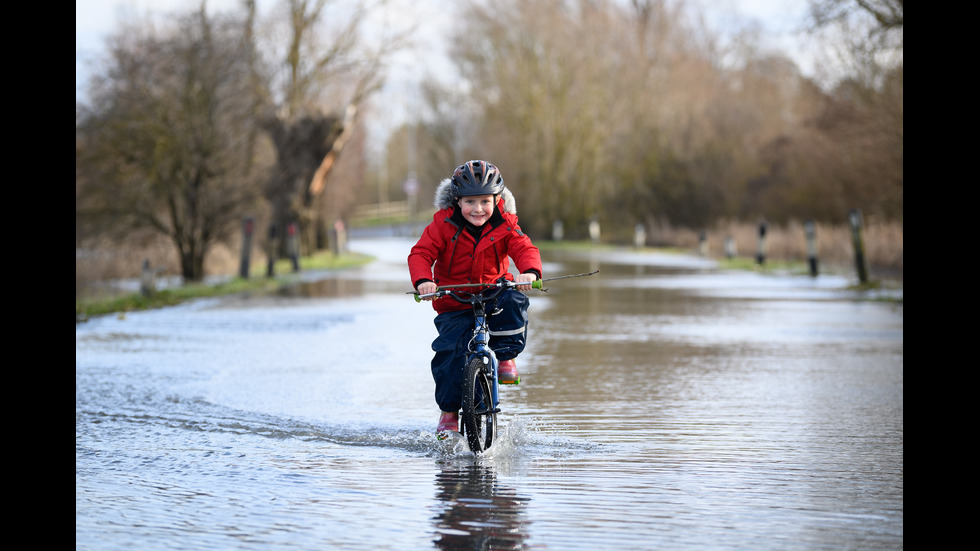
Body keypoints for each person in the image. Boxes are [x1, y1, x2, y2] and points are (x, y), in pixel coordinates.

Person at [408, 160, 542, 436]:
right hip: (454, 300)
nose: (478, 209)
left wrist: (528, 272)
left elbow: (523, 247)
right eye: (470, 201)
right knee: (448, 354)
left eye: (485, 201)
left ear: (496, 199)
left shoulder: (505, 223)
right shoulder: (442, 225)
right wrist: (424, 281)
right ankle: (448, 413)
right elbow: (421, 253)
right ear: (457, 201)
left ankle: (505, 357)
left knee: (514, 300)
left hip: (494, 294)